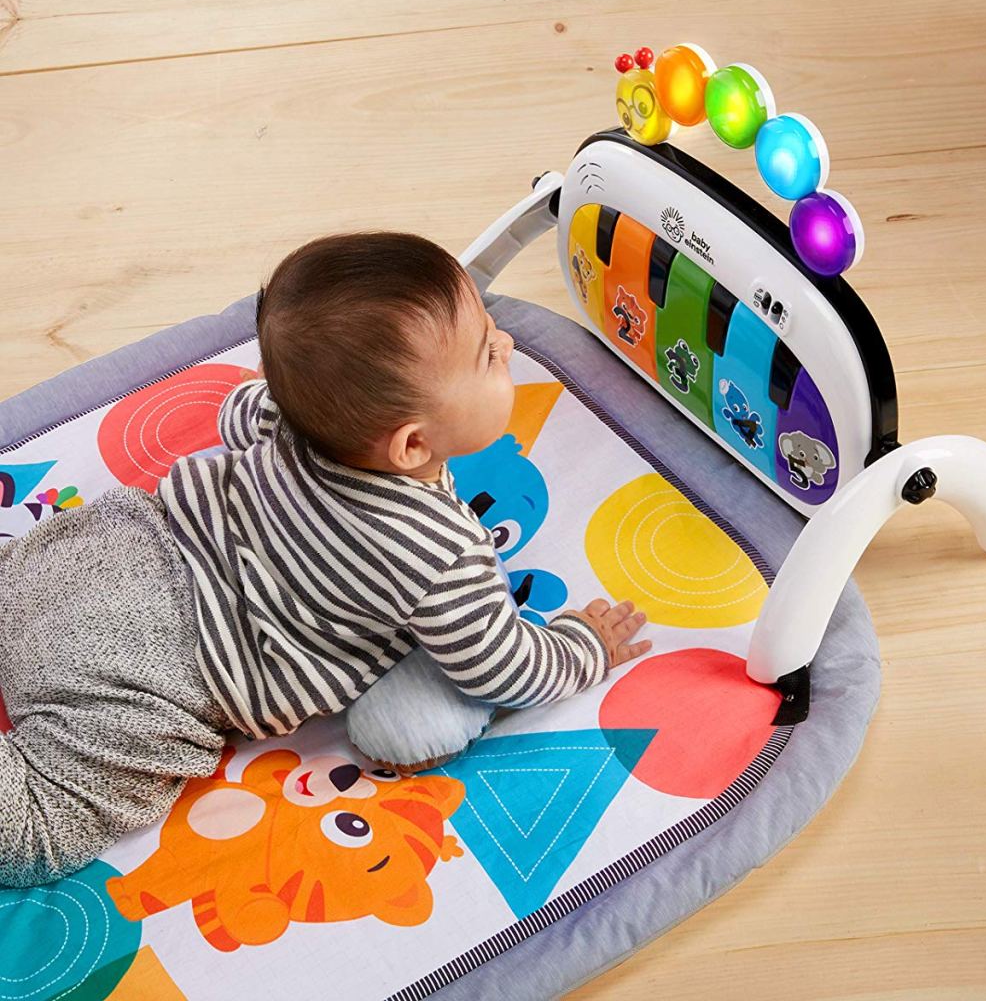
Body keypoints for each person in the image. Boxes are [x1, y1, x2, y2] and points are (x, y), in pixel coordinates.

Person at [0, 231, 650, 888]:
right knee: (35, 832)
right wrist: (583, 645)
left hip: (96, 554)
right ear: (411, 443)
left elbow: (237, 412)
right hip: (156, 673)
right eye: (489, 355)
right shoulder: (440, 555)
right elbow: (505, 668)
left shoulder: (291, 416)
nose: (508, 344)